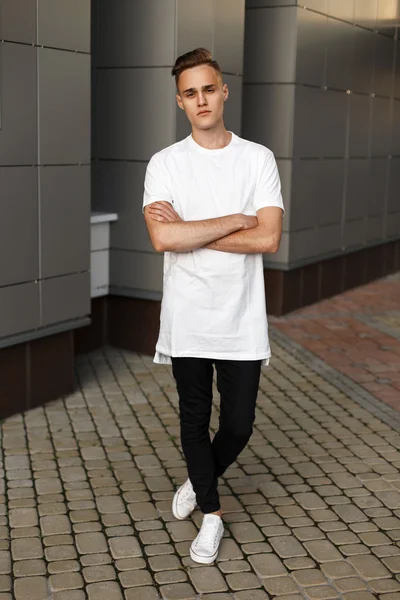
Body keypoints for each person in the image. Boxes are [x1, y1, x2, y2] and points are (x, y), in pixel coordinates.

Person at [142, 48, 284, 564]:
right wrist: (235, 219)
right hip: (189, 316)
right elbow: (162, 238)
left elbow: (268, 239)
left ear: (223, 92)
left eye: (208, 89)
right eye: (189, 93)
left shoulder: (257, 158)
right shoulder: (165, 163)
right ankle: (211, 512)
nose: (200, 99)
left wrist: (192, 229)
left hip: (242, 316)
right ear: (180, 102)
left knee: (239, 424)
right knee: (193, 419)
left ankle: (200, 478)